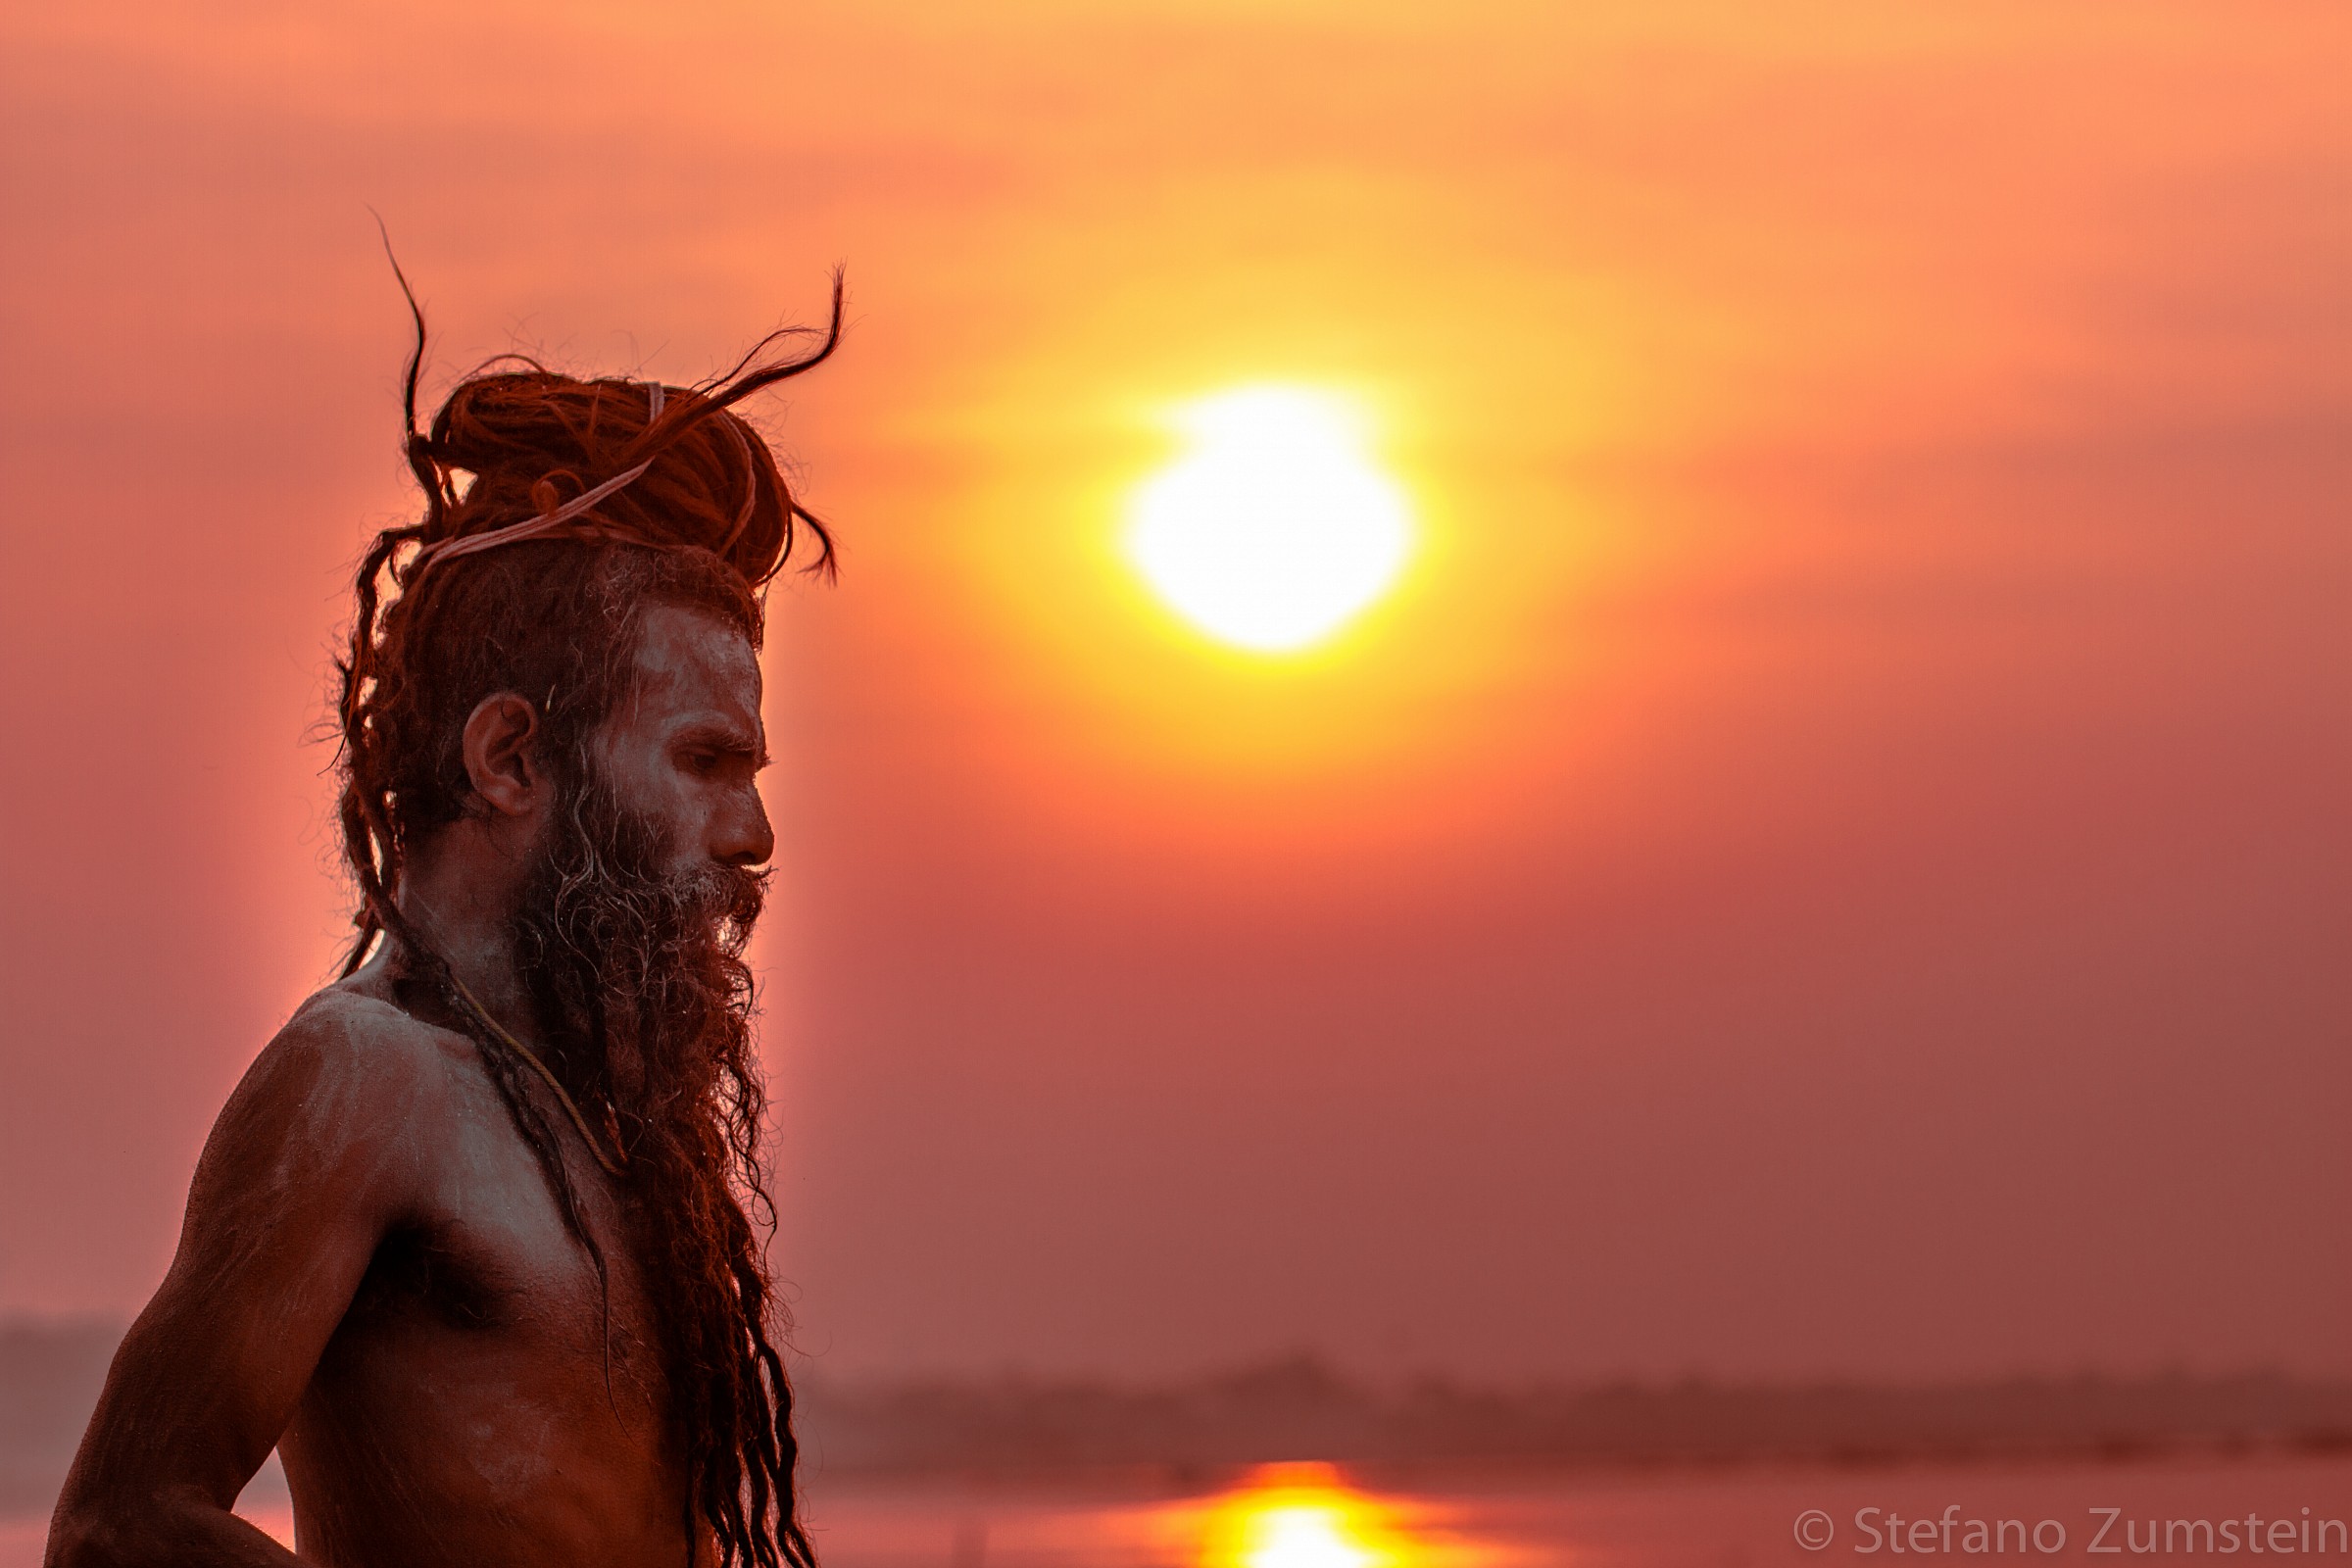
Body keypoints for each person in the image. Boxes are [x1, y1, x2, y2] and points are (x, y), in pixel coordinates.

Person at [46, 277, 844, 1568]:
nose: (754, 835)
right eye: (705, 762)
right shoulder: (360, 1081)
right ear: (513, 757)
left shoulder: (607, 1113)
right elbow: (119, 1529)